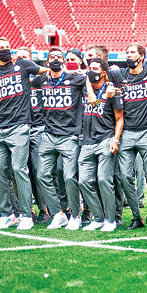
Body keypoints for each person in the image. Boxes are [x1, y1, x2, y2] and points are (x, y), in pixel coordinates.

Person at [0, 38, 47, 231]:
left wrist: (64, 71)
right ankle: (7, 215)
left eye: (7, 47)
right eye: (1, 48)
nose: (5, 50)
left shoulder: (22, 65)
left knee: (19, 169)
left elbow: (44, 70)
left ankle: (26, 215)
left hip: (20, 125)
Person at [33, 48, 88, 230]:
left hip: (69, 135)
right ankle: (58, 214)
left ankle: (75, 215)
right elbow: (29, 77)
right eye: (52, 57)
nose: (55, 59)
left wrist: (81, 70)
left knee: (70, 177)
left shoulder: (75, 78)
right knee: (42, 175)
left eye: (59, 57)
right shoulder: (42, 80)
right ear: (47, 61)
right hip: (48, 135)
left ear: (63, 61)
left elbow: (95, 77)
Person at [118, 43, 147, 230]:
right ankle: (137, 217)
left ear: (142, 56)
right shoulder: (120, 74)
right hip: (127, 133)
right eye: (127, 52)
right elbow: (93, 74)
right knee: (125, 176)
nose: (129, 55)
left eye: (133, 52)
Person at [78, 58, 124, 232]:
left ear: (104, 72)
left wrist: (115, 139)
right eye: (90, 68)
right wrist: (89, 88)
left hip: (105, 138)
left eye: (95, 68)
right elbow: (79, 76)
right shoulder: (85, 89)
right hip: (87, 141)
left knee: (104, 180)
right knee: (83, 181)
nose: (91, 71)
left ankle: (110, 220)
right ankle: (97, 218)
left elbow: (119, 119)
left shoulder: (113, 92)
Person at [15, 48, 49, 223]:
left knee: (38, 171)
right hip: (20, 128)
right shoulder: (14, 80)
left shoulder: (41, 79)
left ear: (31, 61)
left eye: (24, 58)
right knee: (21, 171)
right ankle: (27, 209)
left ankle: (45, 209)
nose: (21, 60)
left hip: (39, 128)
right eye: (18, 58)